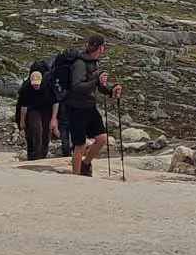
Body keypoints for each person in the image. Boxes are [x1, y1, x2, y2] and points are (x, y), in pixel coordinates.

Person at [67, 34, 122, 177]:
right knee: (79, 145)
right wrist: (97, 81)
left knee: (102, 138)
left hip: (89, 107)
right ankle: (75, 177)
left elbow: (96, 85)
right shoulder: (80, 63)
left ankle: (85, 164)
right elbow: (77, 86)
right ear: (100, 47)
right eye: (103, 47)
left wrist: (111, 90)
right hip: (77, 108)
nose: (103, 50)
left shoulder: (93, 62)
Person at [15, 62, 57, 161]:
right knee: (36, 130)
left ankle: (43, 155)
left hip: (47, 108)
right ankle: (35, 156)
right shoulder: (26, 88)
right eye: (34, 85)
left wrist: (54, 119)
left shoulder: (49, 85)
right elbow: (22, 106)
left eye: (37, 85)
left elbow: (56, 102)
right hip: (32, 108)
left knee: (46, 132)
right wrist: (21, 123)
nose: (36, 87)